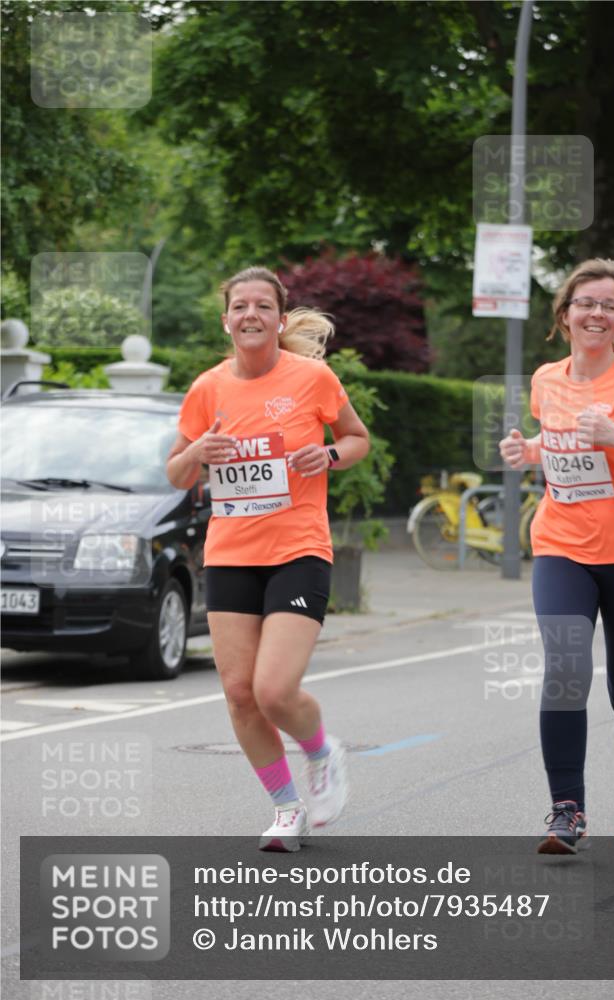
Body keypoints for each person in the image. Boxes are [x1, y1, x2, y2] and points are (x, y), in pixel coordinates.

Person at [166, 266, 370, 851]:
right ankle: (286, 809)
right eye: (239, 306)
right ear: (225, 318)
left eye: (262, 306)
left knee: (274, 690)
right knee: (238, 693)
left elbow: (357, 439)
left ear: (280, 319)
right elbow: (176, 470)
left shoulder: (311, 377)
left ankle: (321, 751)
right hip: (231, 554)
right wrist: (199, 451)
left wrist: (328, 455)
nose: (250, 315)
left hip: (298, 549)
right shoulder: (208, 388)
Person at [499, 258, 614, 854]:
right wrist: (530, 452)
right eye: (585, 303)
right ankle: (566, 810)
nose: (596, 313)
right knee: (566, 676)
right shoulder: (547, 380)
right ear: (565, 313)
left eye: (609, 306)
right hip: (561, 547)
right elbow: (561, 443)